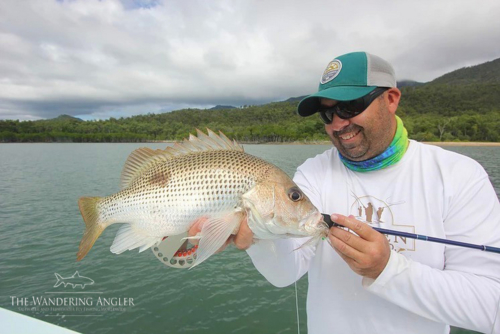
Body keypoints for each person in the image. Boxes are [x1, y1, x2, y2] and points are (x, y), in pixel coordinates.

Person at [191, 52, 500, 333]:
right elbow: (284, 273)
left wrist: (387, 269)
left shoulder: (458, 175)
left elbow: (490, 307)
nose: (339, 123)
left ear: (391, 99)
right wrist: (256, 238)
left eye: (350, 107)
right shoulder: (313, 174)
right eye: (327, 114)